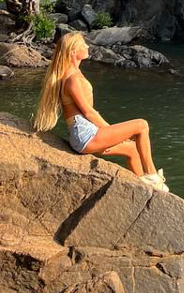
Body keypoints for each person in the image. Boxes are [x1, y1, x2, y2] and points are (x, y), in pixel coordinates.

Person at [33, 31, 168, 192]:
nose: (87, 46)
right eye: (83, 44)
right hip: (85, 136)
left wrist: (110, 135)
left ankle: (145, 188)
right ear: (73, 52)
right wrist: (108, 132)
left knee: (131, 149)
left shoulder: (72, 74)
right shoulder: (72, 79)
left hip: (85, 134)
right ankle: (153, 176)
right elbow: (88, 113)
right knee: (141, 125)